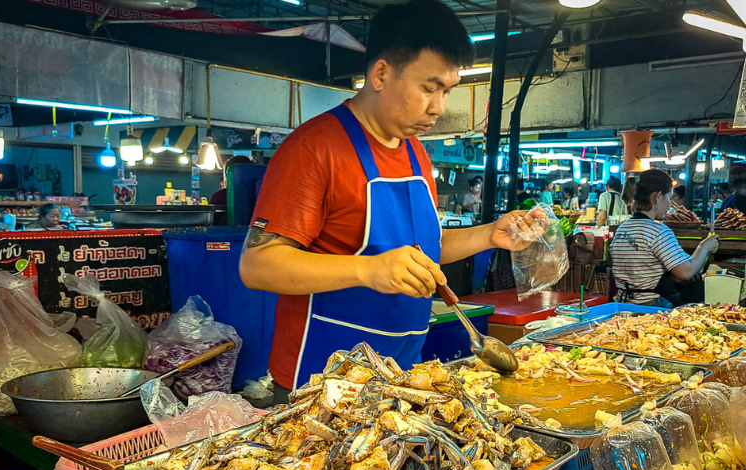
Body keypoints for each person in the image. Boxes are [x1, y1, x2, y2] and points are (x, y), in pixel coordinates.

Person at [239, 0, 547, 403]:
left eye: (447, 91)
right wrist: (369, 270)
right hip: (321, 386)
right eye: (428, 88)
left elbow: (423, 251)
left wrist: (490, 234)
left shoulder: (415, 151)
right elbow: (258, 265)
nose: (439, 107)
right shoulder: (313, 149)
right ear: (381, 73)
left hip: (402, 374)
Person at [609, 169, 718, 307]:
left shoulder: (622, 229)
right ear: (658, 197)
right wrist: (705, 247)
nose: (670, 204)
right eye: (669, 197)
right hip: (651, 307)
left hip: (622, 304)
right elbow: (686, 272)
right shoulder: (658, 232)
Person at [210, 155, 254, 225]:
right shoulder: (260, 195)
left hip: (226, 234)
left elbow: (211, 222)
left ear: (228, 176)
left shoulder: (220, 196)